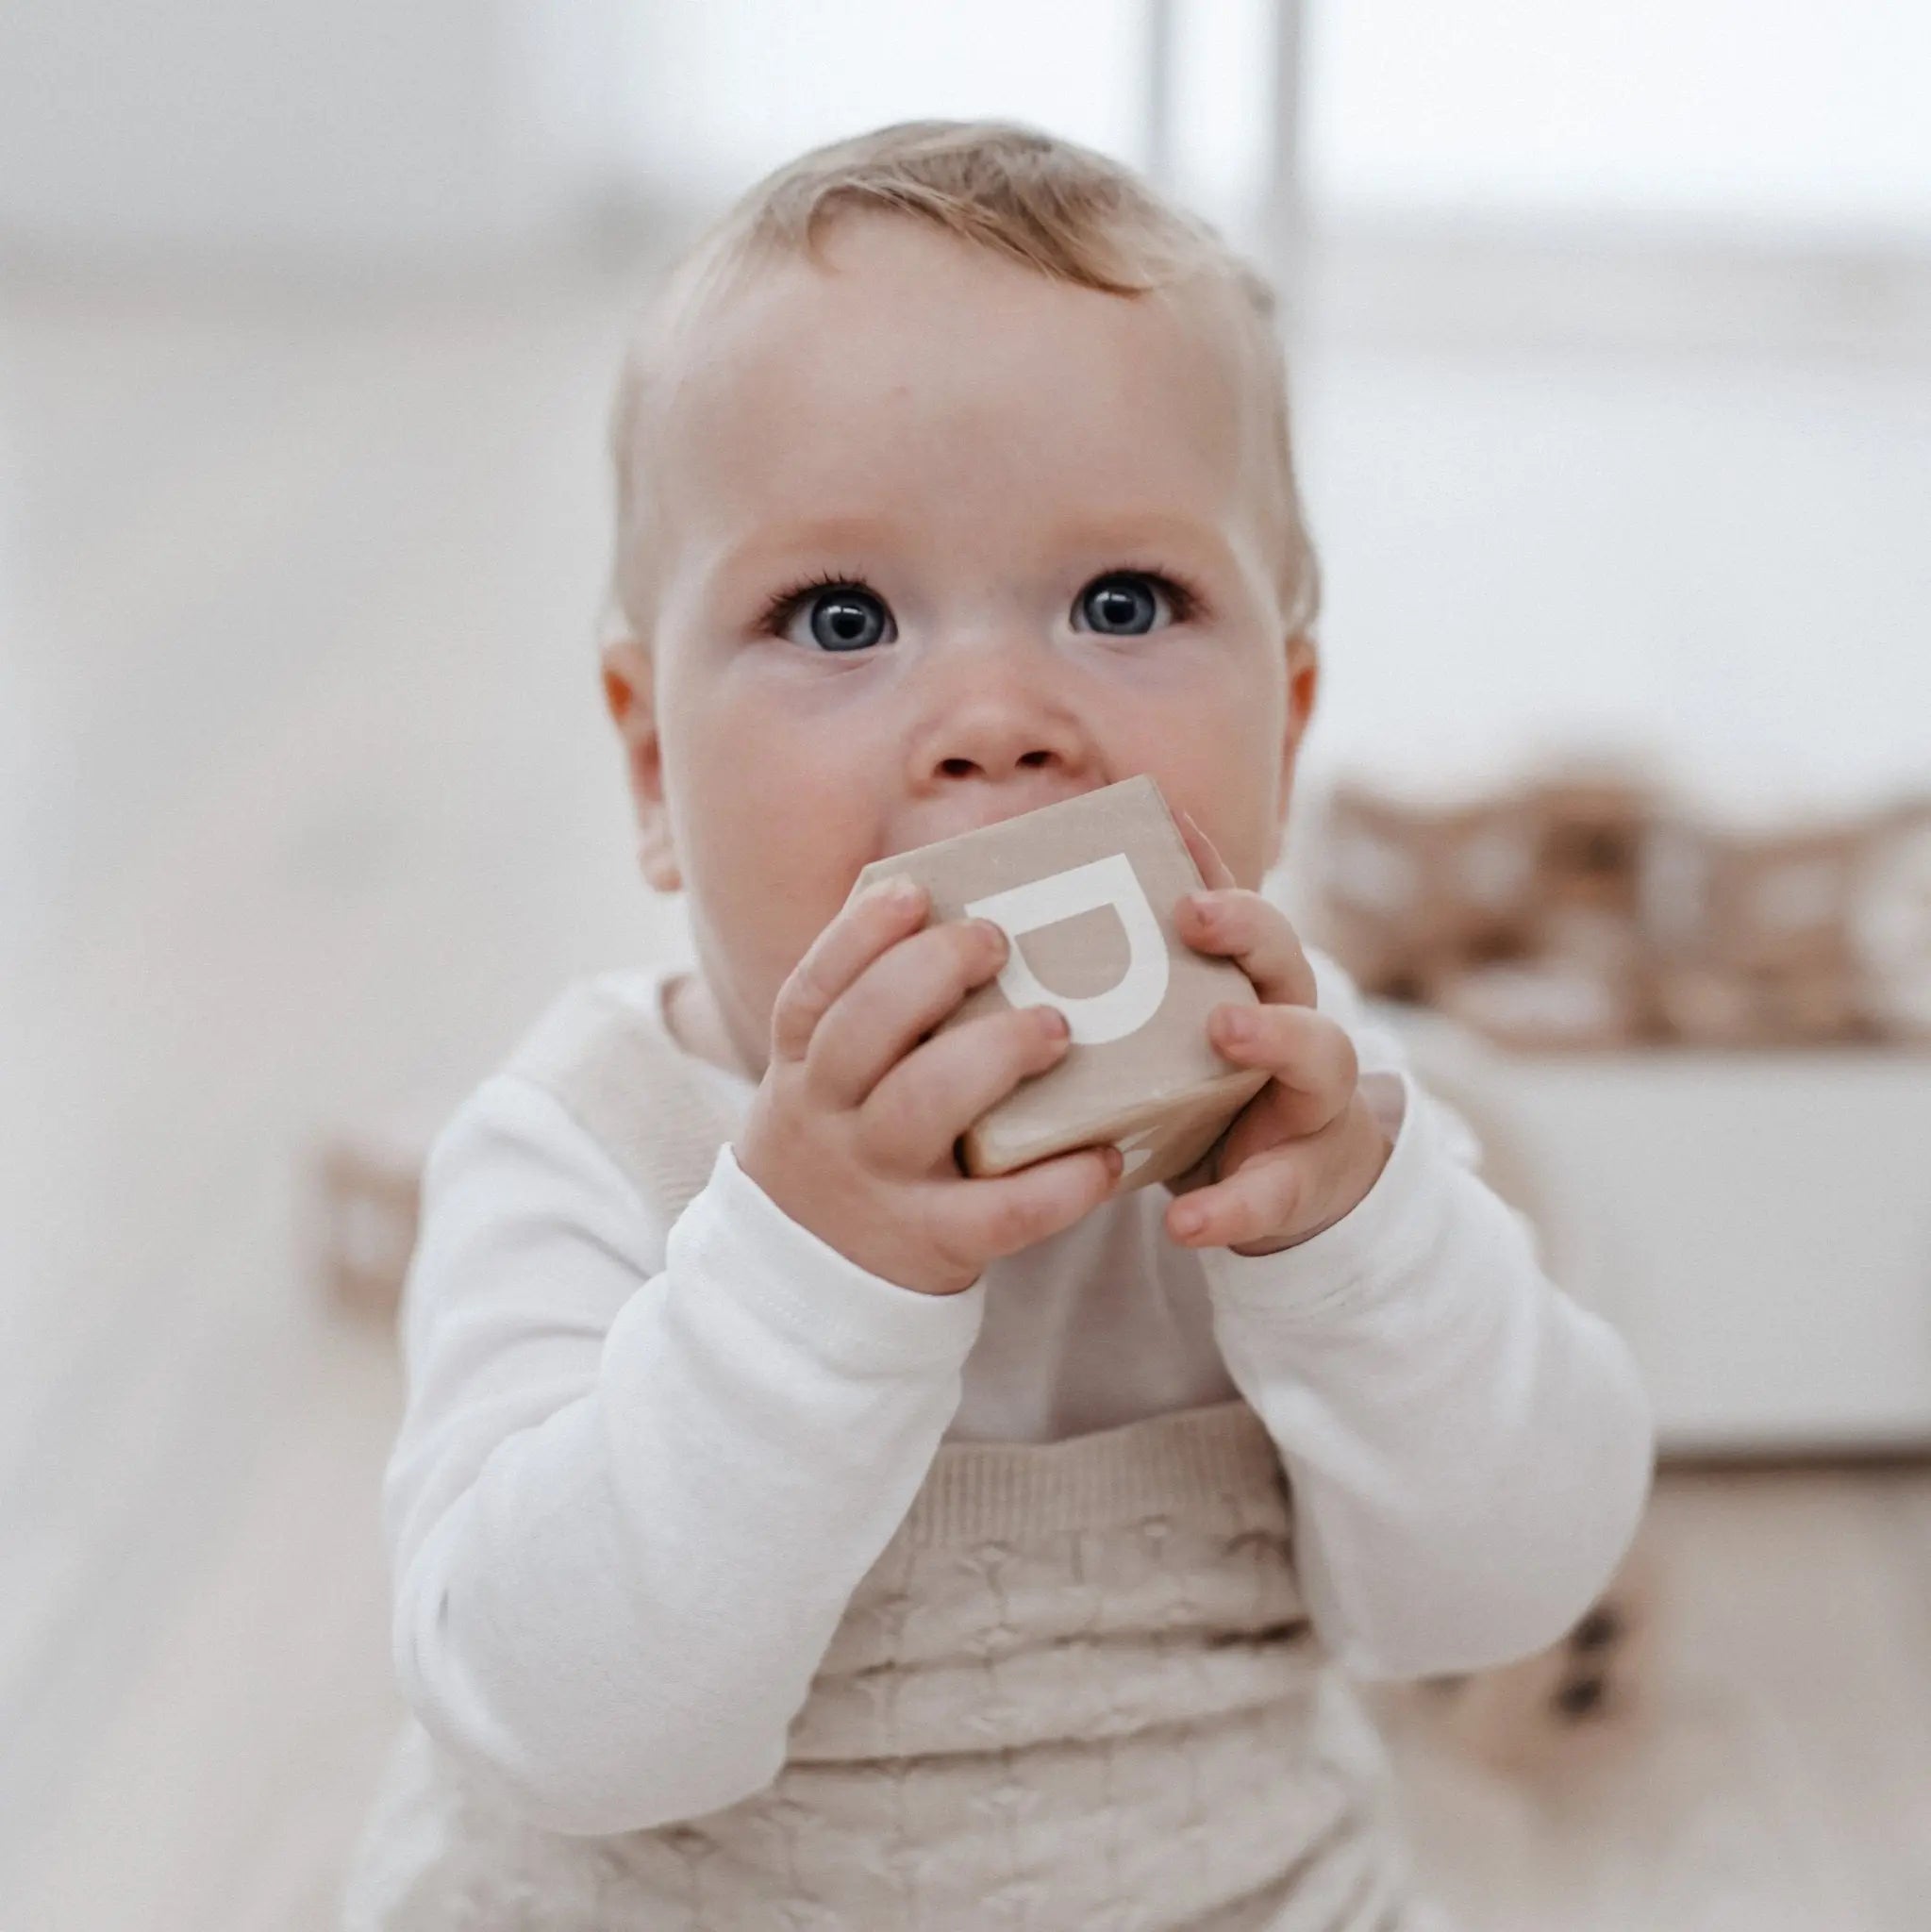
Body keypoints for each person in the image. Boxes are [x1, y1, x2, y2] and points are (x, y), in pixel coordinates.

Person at [339, 119, 1653, 1931]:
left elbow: (1504, 1584)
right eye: (840, 613)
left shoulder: (1312, 1110)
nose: (996, 719)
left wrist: (1363, 1256)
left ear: (1288, 716)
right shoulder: (585, 1145)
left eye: (1123, 605)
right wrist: (810, 1271)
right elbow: (557, 1727)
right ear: (654, 766)